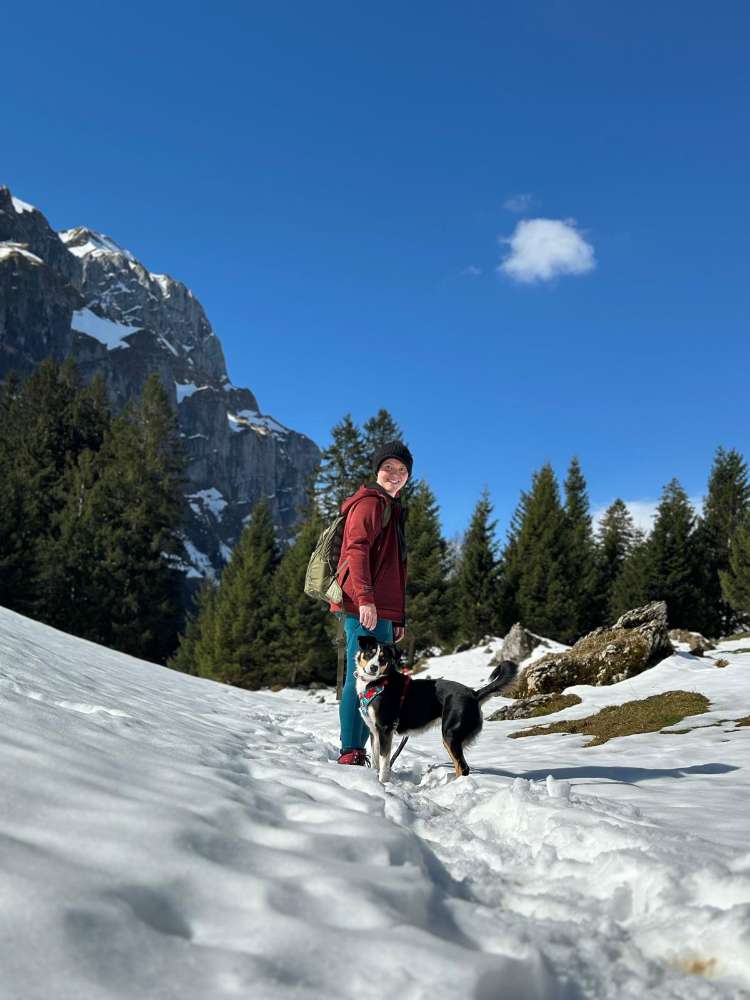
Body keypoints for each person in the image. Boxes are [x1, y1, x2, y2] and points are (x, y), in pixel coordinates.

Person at [329, 440, 413, 765]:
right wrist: (364, 598)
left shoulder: (392, 509)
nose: (395, 474)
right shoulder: (369, 504)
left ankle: (361, 748)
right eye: (389, 467)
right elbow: (356, 549)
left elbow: (395, 569)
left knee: (376, 679)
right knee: (358, 676)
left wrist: (398, 617)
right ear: (377, 470)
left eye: (402, 470)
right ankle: (350, 750)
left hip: (385, 611)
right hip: (362, 606)